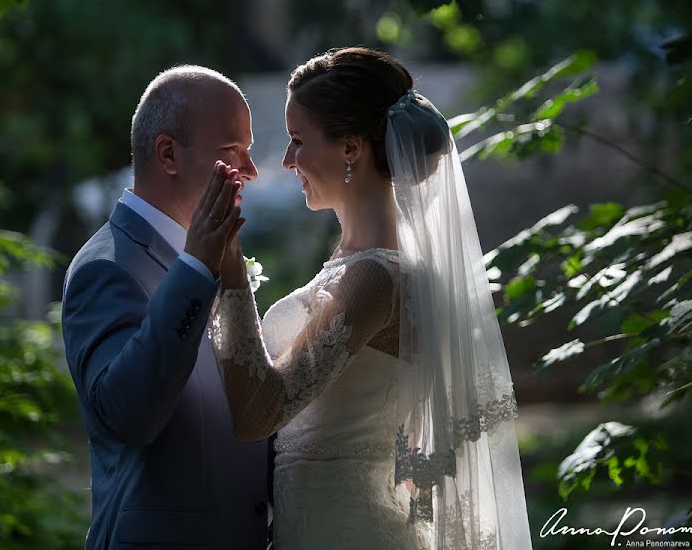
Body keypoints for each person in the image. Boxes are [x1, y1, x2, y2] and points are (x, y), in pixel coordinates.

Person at [207, 47, 534, 548]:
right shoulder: (358, 269)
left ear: (351, 149)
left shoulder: (377, 279)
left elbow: (258, 413)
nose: (287, 159)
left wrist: (227, 265)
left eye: (298, 140)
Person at [61, 66, 270, 549]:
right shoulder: (105, 267)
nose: (252, 170)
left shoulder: (218, 254)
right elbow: (129, 415)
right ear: (168, 154)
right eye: (231, 152)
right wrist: (196, 269)